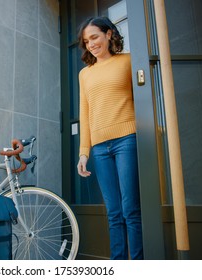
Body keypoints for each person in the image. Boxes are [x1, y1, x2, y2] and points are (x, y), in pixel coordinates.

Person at [76, 17, 143, 260]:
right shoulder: (85, 74)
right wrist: (84, 152)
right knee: (113, 212)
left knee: (130, 210)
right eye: (86, 41)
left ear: (108, 34)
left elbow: (143, 99)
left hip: (127, 139)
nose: (91, 44)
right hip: (100, 148)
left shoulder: (128, 61)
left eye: (94, 37)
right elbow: (85, 113)